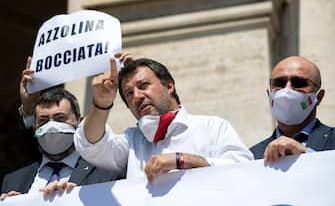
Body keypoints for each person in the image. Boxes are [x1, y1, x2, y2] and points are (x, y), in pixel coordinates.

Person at [74, 56, 254, 183]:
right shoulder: (131, 141)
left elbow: (245, 170)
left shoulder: (212, 127)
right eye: (129, 94)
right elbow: (92, 146)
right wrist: (101, 104)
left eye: (143, 85)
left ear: (169, 85)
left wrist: (183, 160)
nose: (137, 96)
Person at [0, 58, 124, 200]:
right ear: (34, 128)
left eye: (60, 118)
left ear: (80, 122)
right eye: (43, 120)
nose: (51, 126)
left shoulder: (108, 173)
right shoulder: (14, 180)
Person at [250, 56, 335, 162]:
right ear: (269, 95)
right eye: (279, 84)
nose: (287, 91)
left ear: (319, 97)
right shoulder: (252, 156)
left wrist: (306, 155)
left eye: (299, 83)